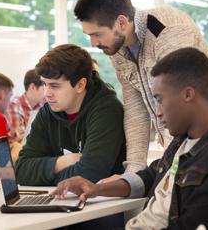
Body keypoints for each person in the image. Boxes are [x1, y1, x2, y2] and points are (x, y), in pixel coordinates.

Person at [52, 47, 208, 230]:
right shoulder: (183, 141)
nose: (157, 112)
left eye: (159, 99)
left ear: (188, 94)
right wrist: (95, 189)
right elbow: (150, 176)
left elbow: (195, 224)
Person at [74, 0, 208, 172]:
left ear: (121, 22)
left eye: (97, 34)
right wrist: (134, 170)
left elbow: (180, 103)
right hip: (182, 149)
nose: (93, 43)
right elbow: (135, 108)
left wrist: (172, 168)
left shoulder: (168, 30)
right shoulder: (117, 48)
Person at [15, 44, 125, 186]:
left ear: (80, 85)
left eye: (54, 86)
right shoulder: (48, 112)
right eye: (44, 84)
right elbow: (21, 170)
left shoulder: (107, 111)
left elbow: (89, 175)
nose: (46, 93)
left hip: (103, 204)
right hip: (62, 200)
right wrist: (62, 162)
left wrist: (44, 175)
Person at [5, 69, 44, 145]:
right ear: (32, 87)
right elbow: (19, 140)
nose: (47, 93)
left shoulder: (42, 105)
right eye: (43, 88)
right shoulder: (14, 106)